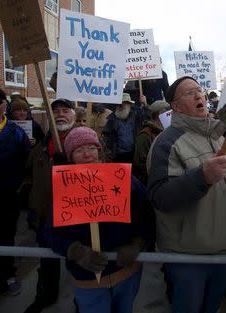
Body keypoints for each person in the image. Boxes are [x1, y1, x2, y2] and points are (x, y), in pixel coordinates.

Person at [147, 76, 226, 313]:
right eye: (189, 93)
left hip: (221, 249)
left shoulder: (218, 136)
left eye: (199, 91)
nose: (199, 96)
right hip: (188, 256)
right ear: (176, 106)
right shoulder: (166, 143)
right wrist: (202, 177)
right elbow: (160, 197)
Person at [50, 126, 152, 313]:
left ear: (100, 150)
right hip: (86, 278)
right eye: (79, 150)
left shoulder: (124, 178)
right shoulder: (61, 188)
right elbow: (48, 233)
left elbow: (146, 215)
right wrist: (76, 251)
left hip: (125, 271)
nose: (87, 154)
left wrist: (138, 243)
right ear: (71, 156)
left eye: (91, 148)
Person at [24, 98, 76, 313]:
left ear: (74, 115)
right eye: (56, 111)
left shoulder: (87, 141)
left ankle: (83, 300)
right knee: (47, 260)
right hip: (46, 216)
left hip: (77, 215)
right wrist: (31, 205)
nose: (60, 114)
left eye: (66, 110)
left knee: (80, 261)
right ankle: (45, 295)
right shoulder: (41, 146)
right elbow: (28, 176)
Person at [0, 87, 30, 296]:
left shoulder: (16, 132)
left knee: (5, 236)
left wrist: (19, 188)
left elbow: (27, 163)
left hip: (6, 196)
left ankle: (7, 274)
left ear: (4, 105)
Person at [133, 100, 169, 186]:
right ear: (161, 114)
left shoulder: (165, 131)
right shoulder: (145, 135)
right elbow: (139, 163)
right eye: (168, 113)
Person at [102, 93, 142, 163]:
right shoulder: (111, 120)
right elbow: (106, 137)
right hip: (118, 155)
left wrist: (145, 104)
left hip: (134, 153)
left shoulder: (135, 116)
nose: (121, 105)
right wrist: (109, 152)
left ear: (129, 105)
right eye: (120, 103)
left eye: (125, 103)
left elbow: (148, 115)